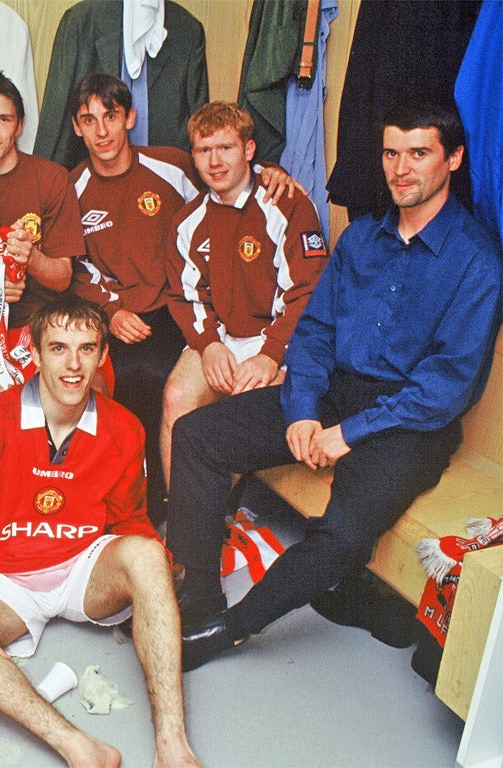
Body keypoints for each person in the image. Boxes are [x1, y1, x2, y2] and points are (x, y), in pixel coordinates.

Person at [168, 101, 502, 671]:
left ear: (453, 159)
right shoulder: (360, 239)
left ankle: (229, 631)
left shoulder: (477, 261)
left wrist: (347, 433)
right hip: (331, 391)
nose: (401, 169)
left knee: (343, 534)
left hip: (410, 421)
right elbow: (317, 332)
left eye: (419, 154)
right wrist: (301, 410)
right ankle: (199, 601)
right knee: (197, 434)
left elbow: (447, 386)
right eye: (391, 153)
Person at [0, 294, 200, 768]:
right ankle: (78, 747)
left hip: (83, 567)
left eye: (86, 349)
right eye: (59, 348)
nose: (73, 365)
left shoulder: (125, 429)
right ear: (35, 350)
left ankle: (172, 747)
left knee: (148, 554)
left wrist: (154, 577)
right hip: (8, 582)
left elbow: (130, 519)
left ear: (103, 356)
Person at [66, 73, 300, 522]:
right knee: (119, 381)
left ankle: (175, 510)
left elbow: (229, 180)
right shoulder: (73, 188)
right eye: (88, 120)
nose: (101, 131)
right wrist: (111, 311)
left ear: (129, 118)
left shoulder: (173, 164)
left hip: (182, 306)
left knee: (163, 383)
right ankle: (137, 506)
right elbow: (74, 265)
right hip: (122, 313)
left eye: (111, 117)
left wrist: (272, 172)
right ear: (76, 128)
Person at [161, 101, 328, 486]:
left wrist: (271, 355)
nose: (215, 162)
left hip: (280, 339)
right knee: (176, 398)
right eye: (204, 151)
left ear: (249, 151)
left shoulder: (287, 205)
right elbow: (187, 297)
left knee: (239, 410)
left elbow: (308, 293)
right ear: (194, 157)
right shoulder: (187, 221)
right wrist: (208, 345)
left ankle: (220, 516)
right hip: (221, 336)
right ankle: (184, 525)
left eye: (226, 148)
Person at [0, 71, 88, 407]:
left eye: (4, 119)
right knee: (14, 405)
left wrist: (32, 258)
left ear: (20, 125)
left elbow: (62, 278)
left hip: (35, 326)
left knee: (87, 388)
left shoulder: (51, 178)